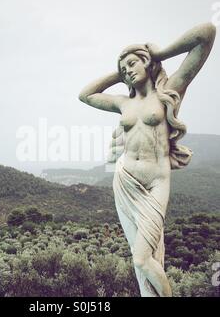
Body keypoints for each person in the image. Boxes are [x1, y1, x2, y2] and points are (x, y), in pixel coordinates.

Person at [79, 22, 216, 297]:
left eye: (132, 64)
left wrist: (160, 53)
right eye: (124, 68)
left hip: (155, 182)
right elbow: (85, 95)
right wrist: (119, 75)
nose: (128, 70)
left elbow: (207, 34)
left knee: (142, 258)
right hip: (125, 180)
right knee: (138, 256)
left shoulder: (170, 91)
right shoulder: (123, 103)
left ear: (146, 62)